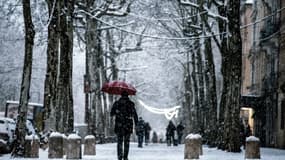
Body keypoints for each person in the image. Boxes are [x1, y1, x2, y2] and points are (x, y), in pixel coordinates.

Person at [111, 91, 138, 160]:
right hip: (128, 125)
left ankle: (120, 156)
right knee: (127, 142)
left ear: (121, 95)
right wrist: (136, 124)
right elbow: (135, 115)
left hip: (119, 125)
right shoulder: (131, 104)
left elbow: (111, 113)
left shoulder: (117, 103)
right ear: (128, 96)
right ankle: (125, 157)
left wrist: (117, 112)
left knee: (119, 141)